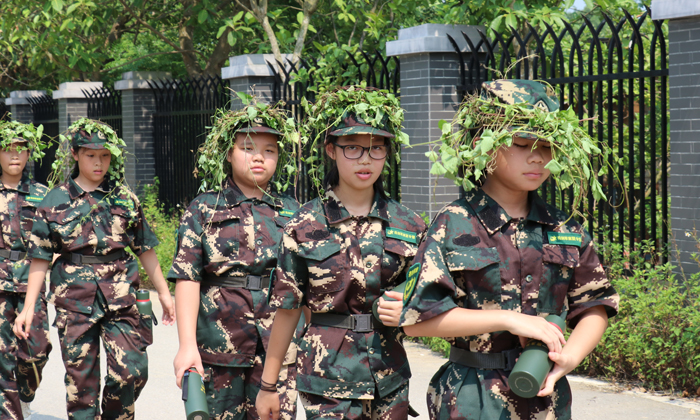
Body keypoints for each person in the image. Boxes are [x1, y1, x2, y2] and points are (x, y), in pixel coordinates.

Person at [399, 79, 620, 419]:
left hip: (546, 395)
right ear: (484, 145)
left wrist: (570, 357)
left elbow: (595, 303)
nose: (538, 157)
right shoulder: (454, 223)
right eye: (522, 142)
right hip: (472, 397)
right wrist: (510, 320)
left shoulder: (564, 228)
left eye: (547, 145)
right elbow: (418, 321)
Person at [256, 86, 427, 420]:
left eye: (376, 149)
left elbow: (427, 297)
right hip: (327, 378)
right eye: (353, 148)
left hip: (388, 376)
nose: (366, 159)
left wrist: (408, 307)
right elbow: (288, 309)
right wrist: (268, 385)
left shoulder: (409, 223)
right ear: (331, 150)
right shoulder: (304, 224)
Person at [13, 118, 176, 420]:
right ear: (75, 154)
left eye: (104, 156)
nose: (99, 163)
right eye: (90, 155)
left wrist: (165, 293)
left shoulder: (124, 197)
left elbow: (145, 248)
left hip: (122, 296)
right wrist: (27, 307)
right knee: (81, 386)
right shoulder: (54, 201)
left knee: (131, 372)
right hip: (73, 300)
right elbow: (39, 259)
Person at [170, 101, 304, 420]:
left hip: (278, 350)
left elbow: (304, 284)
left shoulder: (295, 212)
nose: (259, 157)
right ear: (229, 153)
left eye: (269, 150)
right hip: (218, 346)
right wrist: (186, 345)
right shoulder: (203, 209)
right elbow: (188, 277)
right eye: (247, 147)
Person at [0, 120, 51, 420]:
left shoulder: (42, 194)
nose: (14, 156)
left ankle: (25, 394)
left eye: (21, 150)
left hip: (31, 282)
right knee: (4, 354)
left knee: (37, 349)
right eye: (7, 150)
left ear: (30, 154)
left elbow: (55, 238)